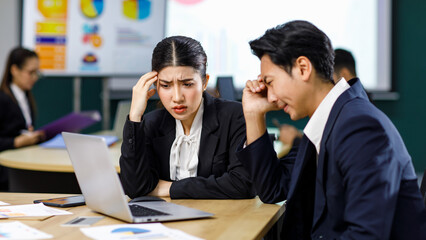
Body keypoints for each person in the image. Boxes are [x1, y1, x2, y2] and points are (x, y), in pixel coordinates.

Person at [236, 20, 426, 239]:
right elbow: (273, 189)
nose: (269, 97)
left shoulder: (360, 126)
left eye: (270, 82)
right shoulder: (327, 121)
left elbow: (366, 235)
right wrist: (253, 115)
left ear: (303, 68)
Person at [119, 36, 255, 199]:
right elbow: (135, 188)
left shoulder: (234, 116)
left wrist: (169, 189)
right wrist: (135, 116)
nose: (177, 97)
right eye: (166, 85)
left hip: (221, 219)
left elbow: (243, 185)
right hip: (164, 220)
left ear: (204, 82)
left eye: (187, 84)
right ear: (155, 85)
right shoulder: (151, 123)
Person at [0, 47, 45, 190]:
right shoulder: (2, 99)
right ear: (14, 70)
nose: (35, 77)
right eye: (30, 72)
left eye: (37, 73)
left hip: (23, 164)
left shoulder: (26, 97)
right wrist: (16, 142)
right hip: (5, 172)